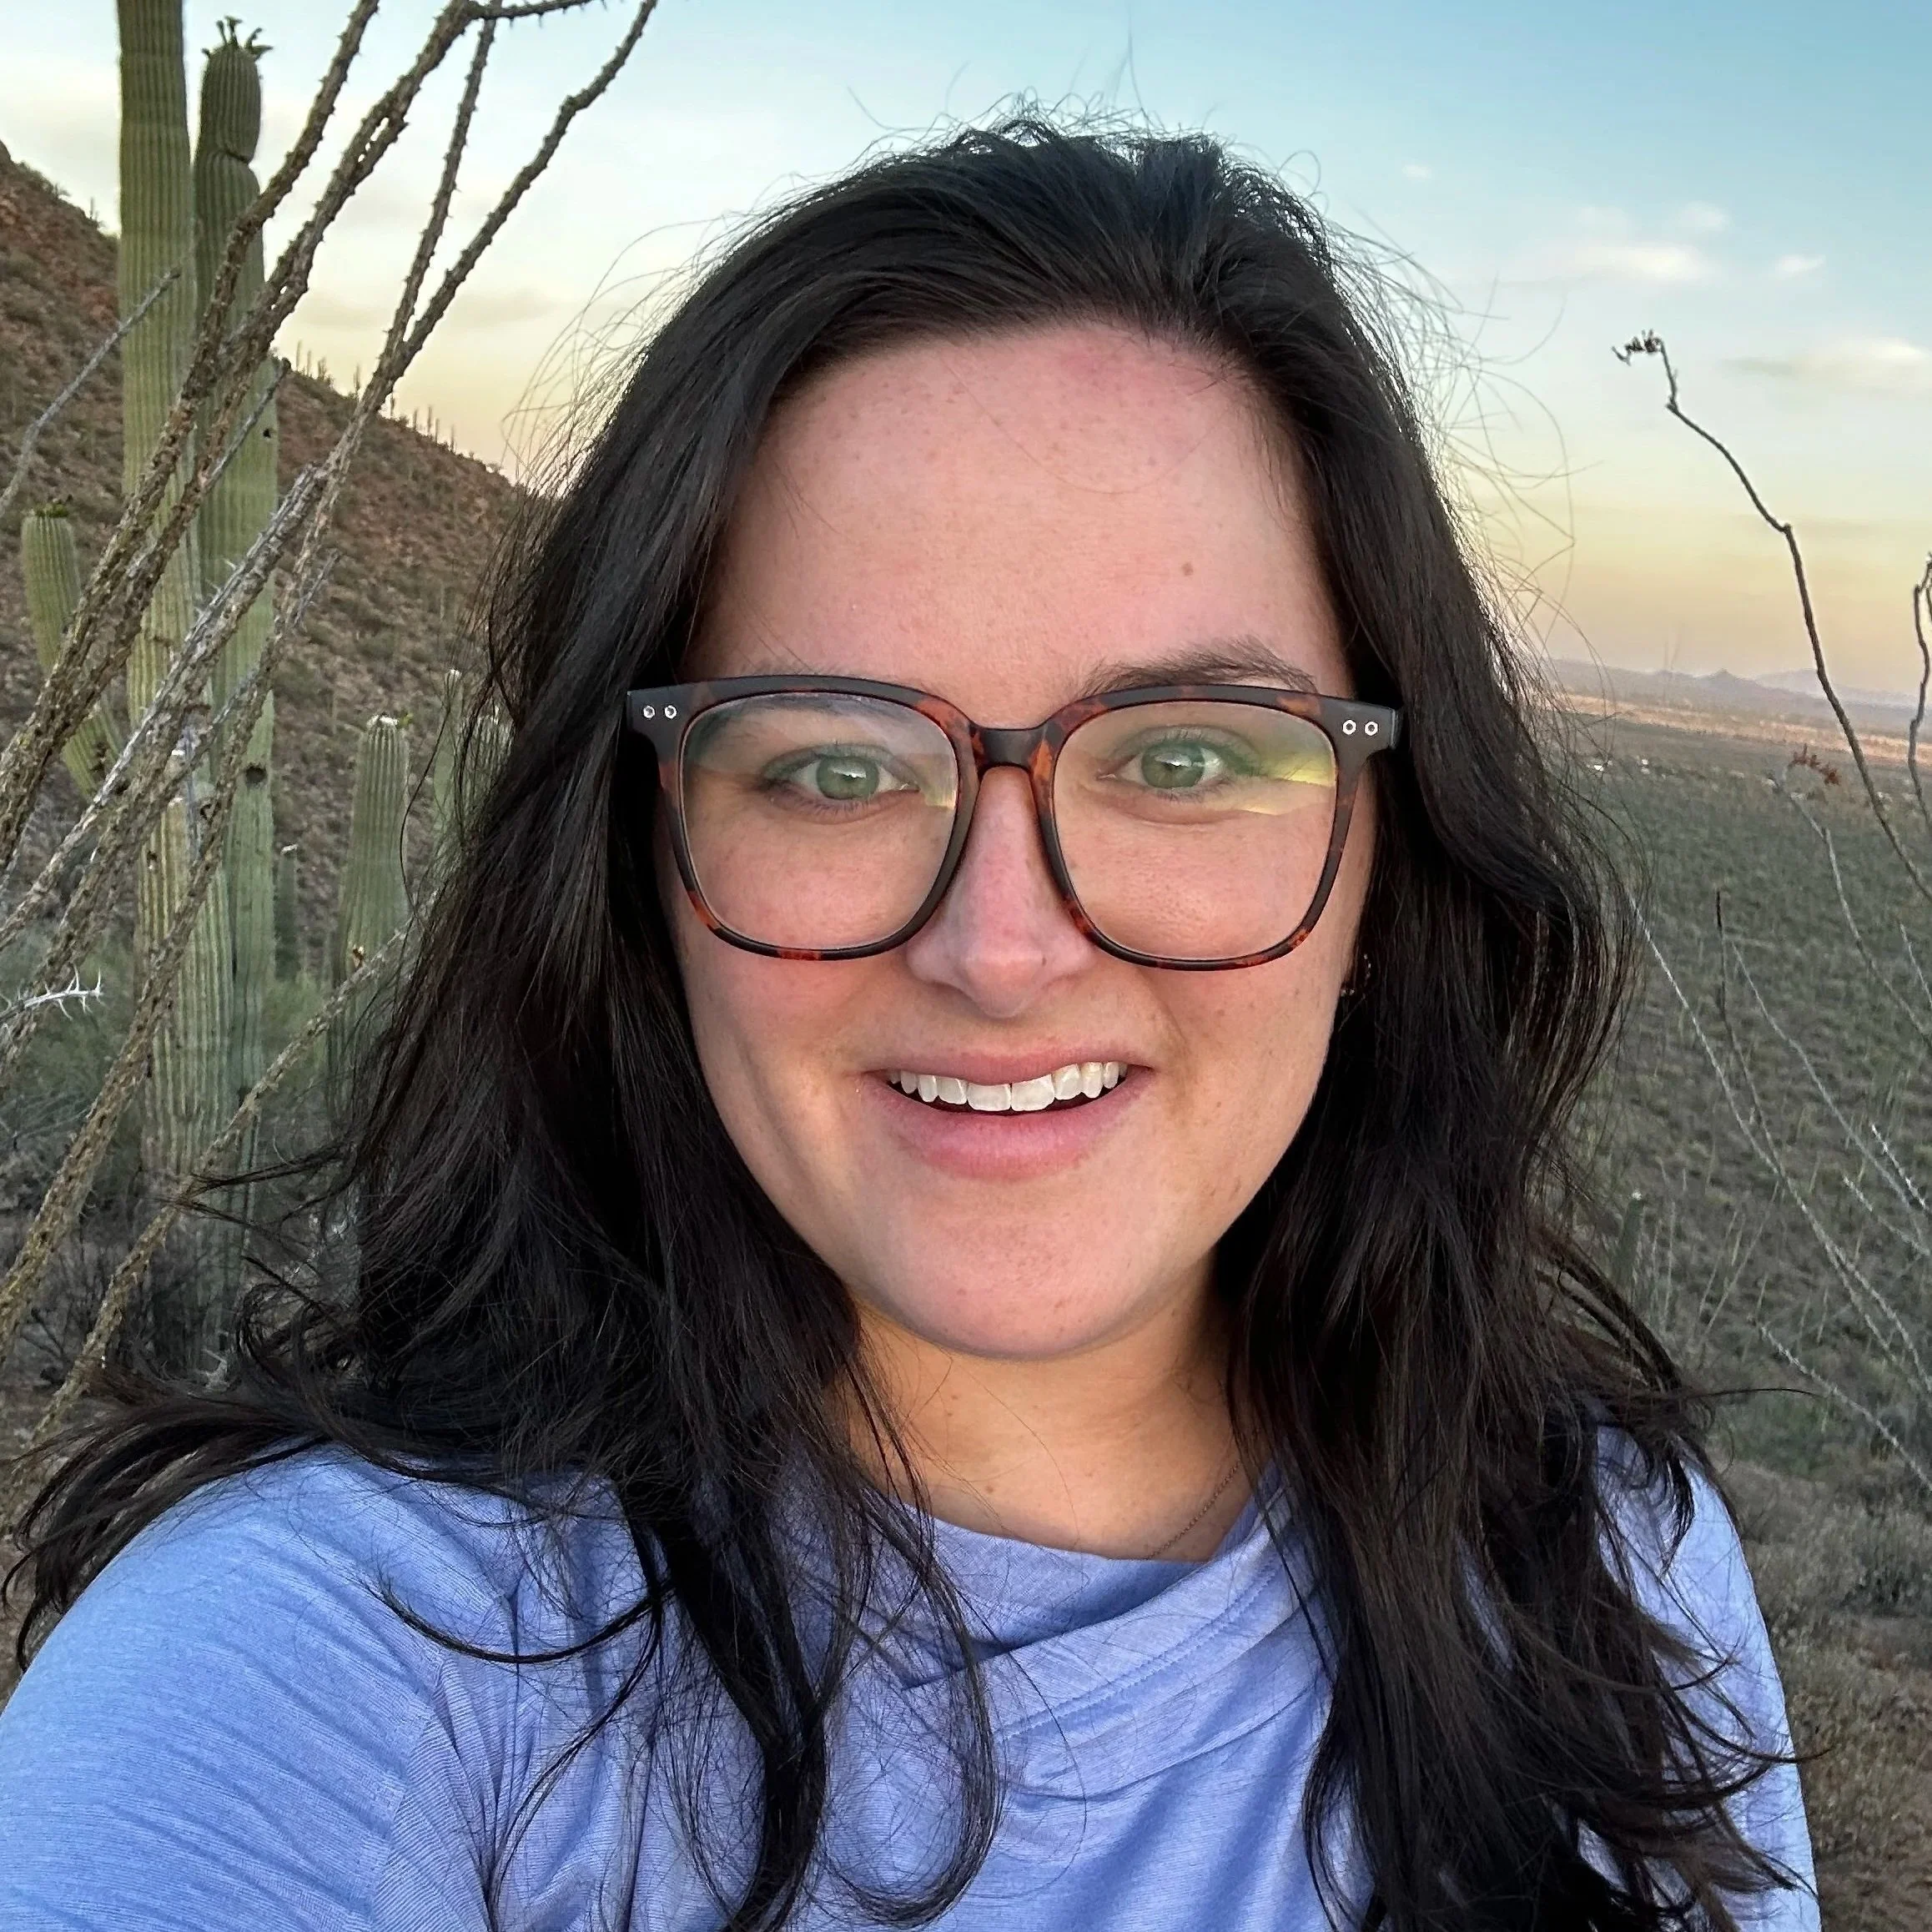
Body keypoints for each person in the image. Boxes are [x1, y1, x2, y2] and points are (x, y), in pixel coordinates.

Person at [0, 120, 1816, 1931]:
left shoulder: (1607, 1570)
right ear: (639, 871)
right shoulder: (323, 1680)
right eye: (835, 768)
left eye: (1188, 759)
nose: (1001, 949)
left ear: (1384, 870)